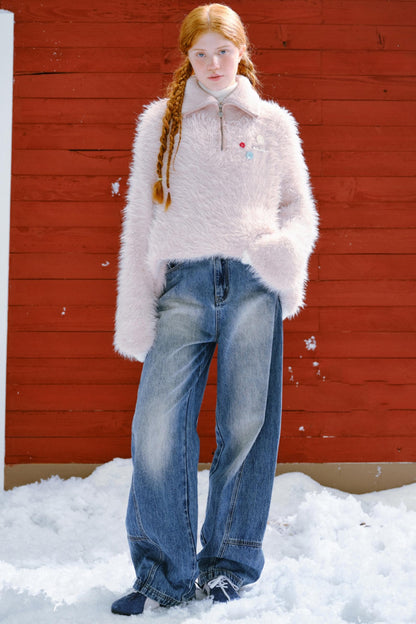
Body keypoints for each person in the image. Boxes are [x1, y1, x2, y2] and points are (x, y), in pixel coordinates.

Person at [112, 3, 318, 616]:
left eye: (221, 51)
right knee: (156, 428)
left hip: (253, 285)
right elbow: (141, 221)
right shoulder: (162, 122)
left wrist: (285, 253)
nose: (211, 64)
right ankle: (162, 571)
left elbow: (298, 208)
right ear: (187, 58)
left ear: (241, 51)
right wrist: (138, 301)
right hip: (184, 286)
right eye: (198, 54)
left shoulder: (274, 125)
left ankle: (229, 562)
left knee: (246, 426)